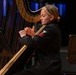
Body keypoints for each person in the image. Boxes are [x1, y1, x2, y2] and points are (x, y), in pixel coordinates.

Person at [16, 4, 62, 75]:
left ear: (51, 17)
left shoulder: (50, 29)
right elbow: (41, 41)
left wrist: (23, 36)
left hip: (47, 68)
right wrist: (33, 34)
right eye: (41, 16)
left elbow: (33, 43)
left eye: (43, 16)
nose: (41, 18)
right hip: (46, 66)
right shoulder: (52, 27)